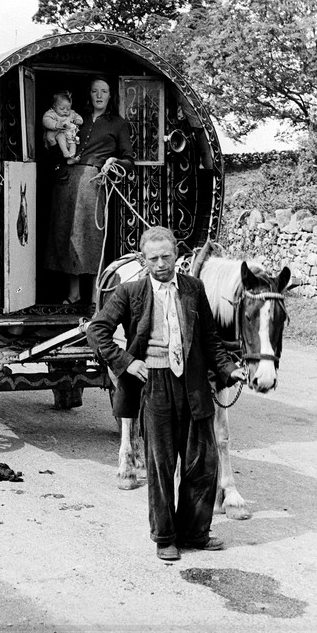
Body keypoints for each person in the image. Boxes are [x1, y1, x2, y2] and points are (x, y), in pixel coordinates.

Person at [86, 226, 246, 561]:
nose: (161, 263)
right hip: (154, 385)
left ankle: (195, 533)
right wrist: (126, 362)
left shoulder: (192, 288)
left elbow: (210, 340)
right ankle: (165, 537)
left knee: (202, 463)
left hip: (193, 384)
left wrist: (229, 369)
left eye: (166, 256)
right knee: (161, 465)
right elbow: (98, 329)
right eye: (153, 258)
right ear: (144, 260)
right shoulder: (131, 292)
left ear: (176, 255)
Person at [44, 77, 134, 304]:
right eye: (95, 91)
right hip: (66, 180)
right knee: (66, 236)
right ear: (90, 94)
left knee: (91, 237)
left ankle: (95, 295)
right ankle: (73, 294)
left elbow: (129, 160)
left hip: (93, 181)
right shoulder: (75, 117)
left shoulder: (118, 124)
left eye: (104, 91)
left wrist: (113, 161)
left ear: (110, 95)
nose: (99, 96)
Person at [42, 91, 84, 178]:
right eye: (62, 109)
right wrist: (56, 124)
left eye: (68, 109)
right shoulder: (51, 113)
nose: (65, 111)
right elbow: (46, 120)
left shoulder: (71, 113)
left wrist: (78, 120)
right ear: (54, 106)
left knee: (74, 143)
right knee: (61, 137)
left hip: (69, 137)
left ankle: (71, 157)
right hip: (57, 138)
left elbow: (78, 116)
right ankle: (65, 154)